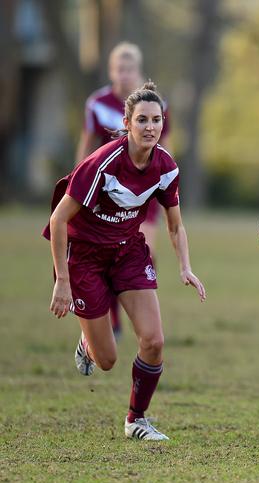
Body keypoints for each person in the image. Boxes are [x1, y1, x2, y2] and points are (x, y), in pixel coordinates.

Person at [45, 82, 206, 440]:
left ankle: (136, 419)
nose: (151, 127)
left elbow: (175, 225)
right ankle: (88, 342)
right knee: (107, 361)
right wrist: (61, 281)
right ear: (127, 122)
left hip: (128, 251)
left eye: (157, 120)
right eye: (143, 120)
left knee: (154, 341)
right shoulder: (103, 163)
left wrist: (185, 267)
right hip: (85, 256)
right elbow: (58, 220)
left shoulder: (165, 165)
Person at [77, 42, 171, 338]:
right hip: (107, 194)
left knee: (146, 250)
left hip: (145, 191)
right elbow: (87, 143)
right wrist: (77, 181)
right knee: (107, 253)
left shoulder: (155, 105)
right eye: (120, 69)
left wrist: (166, 181)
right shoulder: (97, 103)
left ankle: (139, 311)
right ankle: (112, 317)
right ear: (111, 71)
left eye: (130, 69)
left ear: (138, 70)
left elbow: (163, 147)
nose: (125, 74)